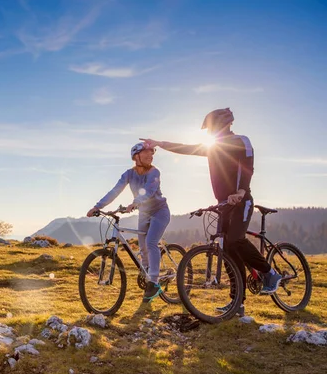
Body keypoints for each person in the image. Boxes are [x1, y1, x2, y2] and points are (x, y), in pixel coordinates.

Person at [141, 108, 282, 315]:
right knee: (228, 252)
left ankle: (269, 273)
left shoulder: (241, 141)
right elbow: (186, 148)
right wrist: (160, 143)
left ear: (223, 125)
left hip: (242, 201)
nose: (208, 133)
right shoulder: (212, 147)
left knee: (235, 240)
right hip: (224, 204)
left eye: (210, 128)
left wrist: (241, 190)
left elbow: (248, 166)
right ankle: (237, 304)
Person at [87, 142, 171, 303]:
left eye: (152, 154)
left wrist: (136, 202)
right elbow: (115, 190)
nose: (150, 156)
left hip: (160, 212)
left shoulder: (154, 172)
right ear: (136, 156)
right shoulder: (128, 174)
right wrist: (97, 206)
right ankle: (148, 277)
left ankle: (154, 282)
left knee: (151, 242)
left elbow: (149, 190)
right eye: (147, 154)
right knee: (143, 248)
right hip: (144, 213)